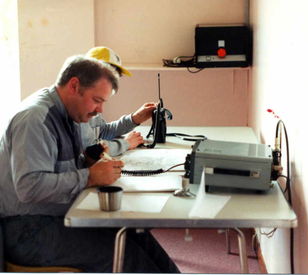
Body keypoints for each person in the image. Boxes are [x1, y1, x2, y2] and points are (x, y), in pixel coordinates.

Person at [0, 55, 180, 273]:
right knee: (125, 255)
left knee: (136, 233)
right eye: (97, 100)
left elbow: (71, 161)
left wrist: (88, 162)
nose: (100, 111)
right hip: (26, 230)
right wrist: (89, 176)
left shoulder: (72, 114)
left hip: (58, 215)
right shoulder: (35, 120)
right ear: (74, 86)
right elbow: (29, 187)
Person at [81, 46, 156, 156]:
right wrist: (126, 143)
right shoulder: (76, 107)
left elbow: (102, 132)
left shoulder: (92, 101)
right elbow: (89, 150)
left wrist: (134, 118)